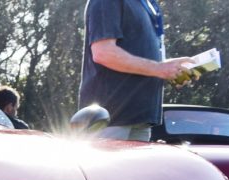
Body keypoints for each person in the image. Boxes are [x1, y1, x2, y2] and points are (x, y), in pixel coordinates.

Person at [78, 0, 195, 141]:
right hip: (109, 118)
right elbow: (104, 53)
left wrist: (168, 70)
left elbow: (139, 55)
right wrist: (159, 68)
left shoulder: (145, 4)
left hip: (141, 119)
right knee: (108, 164)